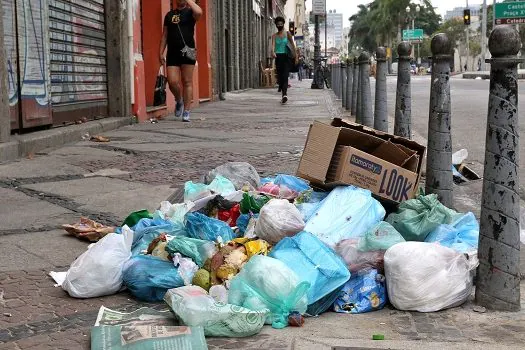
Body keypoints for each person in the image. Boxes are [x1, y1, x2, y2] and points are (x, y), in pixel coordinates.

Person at [159, 0, 203, 122]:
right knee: (172, 81)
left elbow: (199, 11)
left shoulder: (191, 13)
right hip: (172, 52)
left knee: (187, 82)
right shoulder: (169, 15)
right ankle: (179, 100)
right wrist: (160, 52)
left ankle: (187, 111)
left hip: (188, 50)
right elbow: (164, 35)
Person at [271, 17, 297, 104]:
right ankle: (281, 85)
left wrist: (296, 56)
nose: (279, 25)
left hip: (286, 57)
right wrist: (273, 52)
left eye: (281, 24)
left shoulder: (288, 33)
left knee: (285, 76)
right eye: (278, 24)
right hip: (278, 57)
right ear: (276, 25)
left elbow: (293, 45)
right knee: (280, 77)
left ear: (283, 24)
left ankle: (284, 95)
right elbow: (273, 46)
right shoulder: (274, 36)